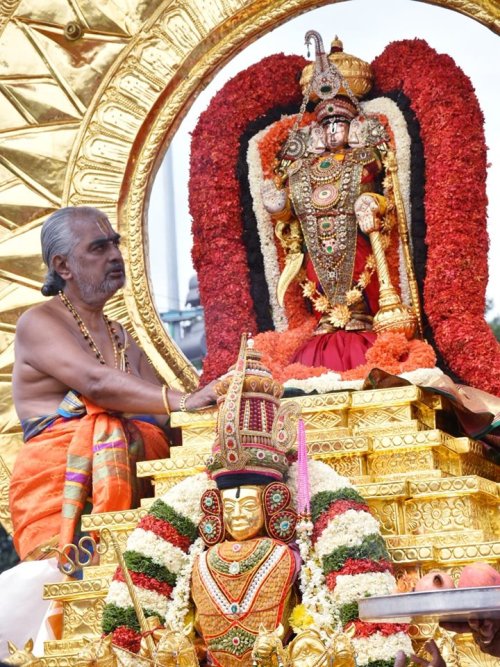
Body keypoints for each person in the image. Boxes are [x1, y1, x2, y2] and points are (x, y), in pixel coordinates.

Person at [9, 206, 215, 561]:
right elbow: (97, 383)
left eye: (115, 245)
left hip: (136, 506)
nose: (115, 255)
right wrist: (187, 401)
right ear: (63, 267)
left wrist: (221, 421)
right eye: (98, 248)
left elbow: (170, 423)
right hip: (60, 501)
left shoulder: (121, 338)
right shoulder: (38, 322)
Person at [260, 32, 415, 374]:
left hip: (356, 237)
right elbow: (293, 212)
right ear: (315, 132)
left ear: (353, 126)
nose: (332, 130)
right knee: (316, 275)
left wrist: (370, 205)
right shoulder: (303, 167)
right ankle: (327, 317)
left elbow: (383, 195)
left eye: (338, 123)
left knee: (360, 273)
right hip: (316, 239)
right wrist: (278, 205)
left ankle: (359, 317)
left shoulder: (364, 158)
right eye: (326, 123)